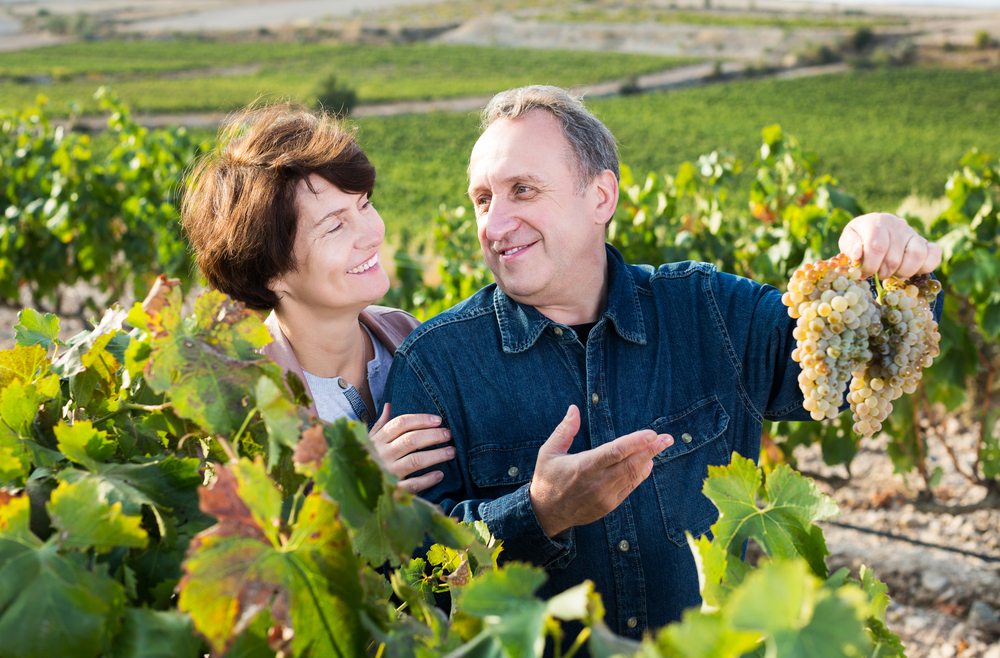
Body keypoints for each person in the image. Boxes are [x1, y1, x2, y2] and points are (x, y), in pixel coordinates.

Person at [383, 85, 943, 638]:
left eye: (523, 190)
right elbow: (411, 582)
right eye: (483, 199)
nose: (495, 225)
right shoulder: (436, 367)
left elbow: (852, 369)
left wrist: (897, 260)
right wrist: (538, 514)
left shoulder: (710, 311)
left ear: (601, 196)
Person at [181, 102, 453, 493]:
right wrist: (354, 485)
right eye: (334, 226)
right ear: (270, 272)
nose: (373, 233)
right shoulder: (245, 411)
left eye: (365, 204)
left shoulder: (409, 334)